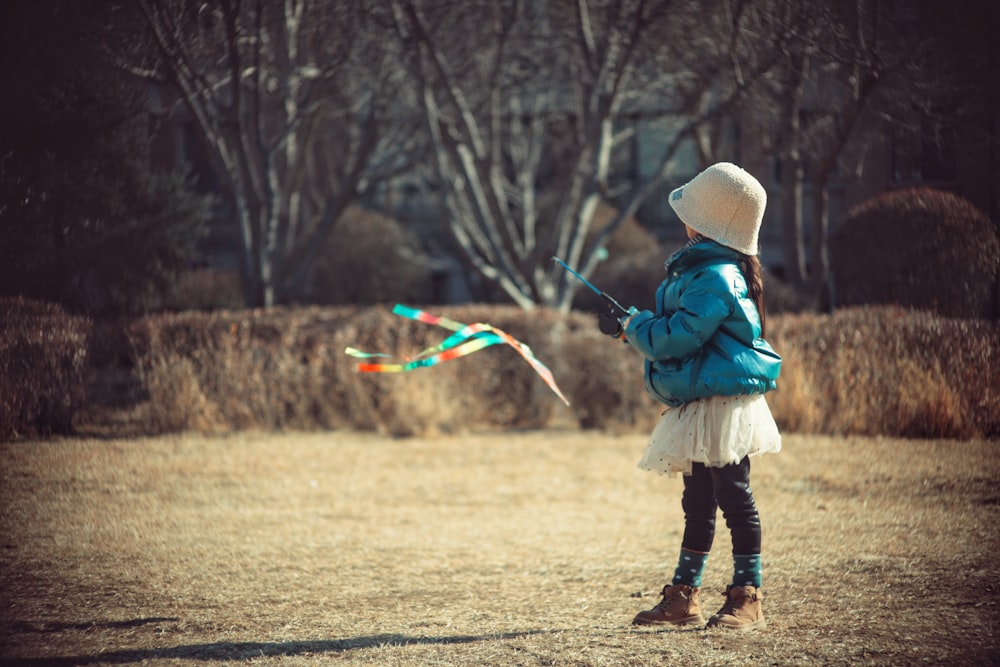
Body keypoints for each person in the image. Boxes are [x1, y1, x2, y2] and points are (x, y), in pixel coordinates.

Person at [604, 162, 782, 631]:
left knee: (735, 496)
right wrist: (635, 327)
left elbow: (678, 337)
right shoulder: (704, 271)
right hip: (706, 401)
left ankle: (748, 596)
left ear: (704, 224)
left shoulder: (716, 276)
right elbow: (678, 331)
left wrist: (634, 327)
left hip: (724, 405)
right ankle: (683, 598)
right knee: (698, 499)